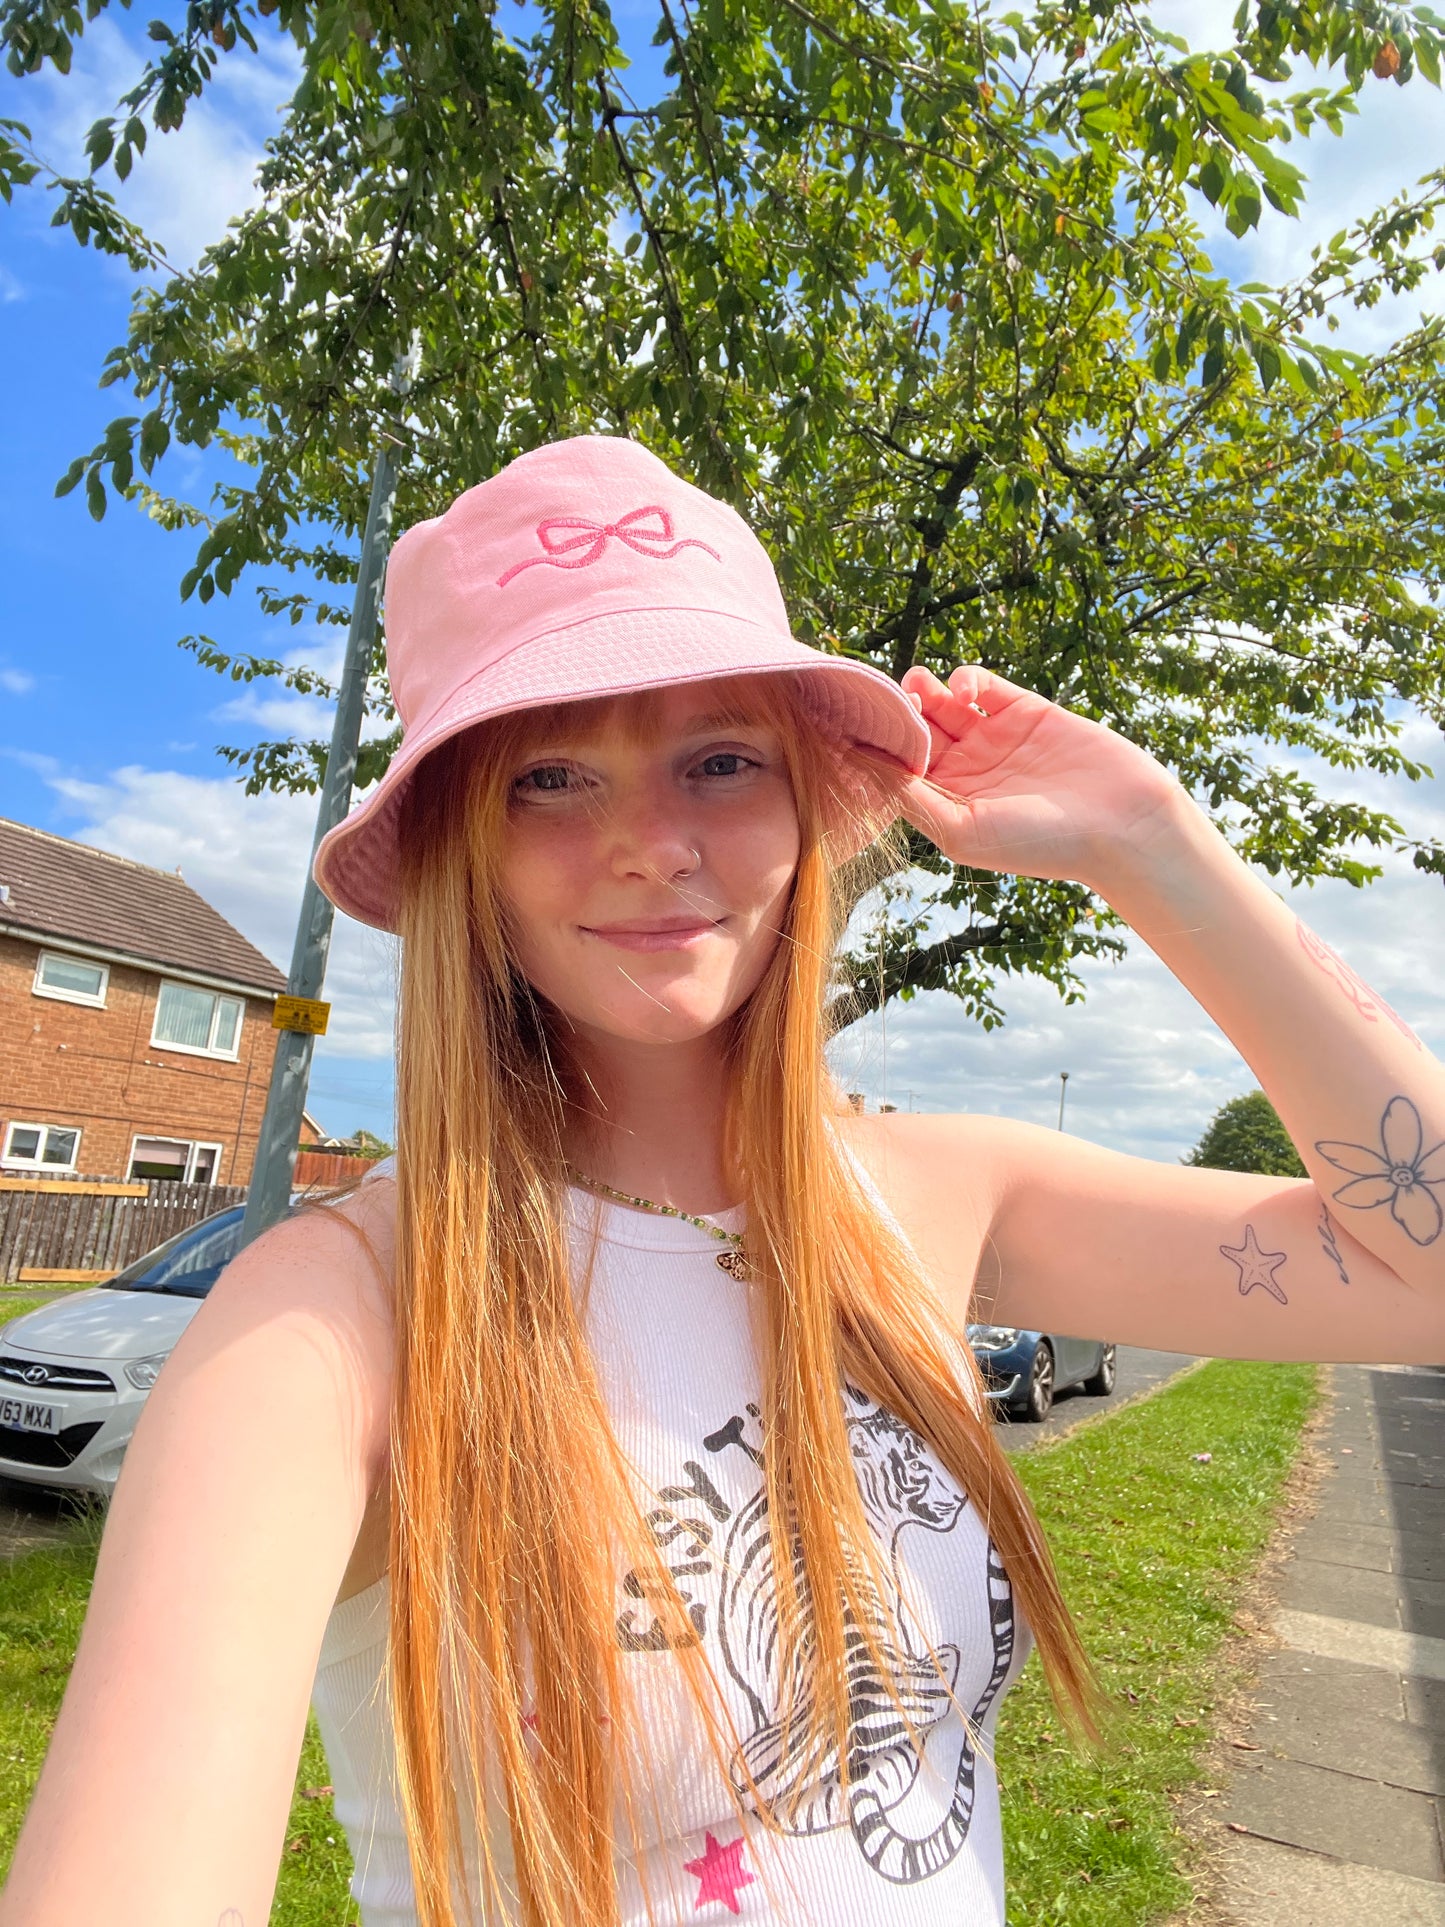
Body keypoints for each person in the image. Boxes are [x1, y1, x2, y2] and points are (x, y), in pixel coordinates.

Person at [4, 434, 1442, 1927]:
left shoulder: (937, 1192)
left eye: (721, 759)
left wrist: (1155, 847)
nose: (649, 845)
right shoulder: (333, 1319)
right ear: (460, 854)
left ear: (808, 811)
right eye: (547, 777)